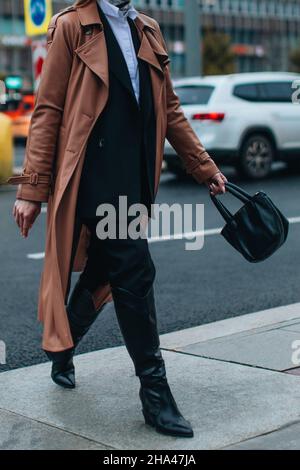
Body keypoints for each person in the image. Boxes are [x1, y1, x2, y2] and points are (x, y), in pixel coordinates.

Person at [8, 0, 227, 438]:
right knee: (134, 269)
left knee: (106, 271)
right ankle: (155, 394)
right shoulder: (71, 27)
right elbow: (48, 109)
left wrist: (204, 167)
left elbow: (170, 110)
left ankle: (62, 346)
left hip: (135, 177)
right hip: (91, 175)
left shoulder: (147, 28)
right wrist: (32, 188)